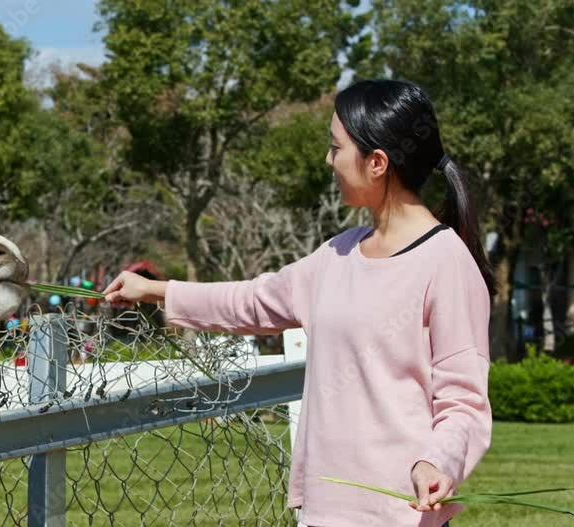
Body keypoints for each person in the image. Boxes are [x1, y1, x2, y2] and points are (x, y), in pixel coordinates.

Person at [103, 79, 493, 527]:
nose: (329, 160)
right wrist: (156, 290)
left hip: (399, 515)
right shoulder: (338, 254)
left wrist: (437, 462)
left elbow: (463, 402)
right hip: (324, 512)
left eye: (336, 148)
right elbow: (252, 300)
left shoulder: (445, 263)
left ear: (377, 162)